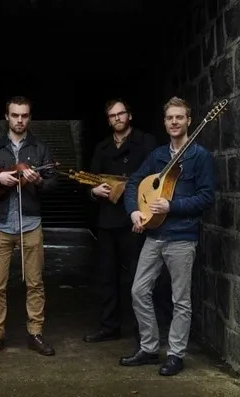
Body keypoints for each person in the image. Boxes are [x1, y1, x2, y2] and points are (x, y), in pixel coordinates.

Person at [120, 96, 215, 376]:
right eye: (169, 118)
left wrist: (173, 206)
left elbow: (207, 197)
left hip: (183, 238)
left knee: (180, 300)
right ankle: (149, 348)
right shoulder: (158, 155)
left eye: (179, 117)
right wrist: (135, 212)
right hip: (154, 234)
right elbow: (134, 183)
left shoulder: (200, 157)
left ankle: (175, 353)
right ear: (164, 122)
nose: (174, 122)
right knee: (138, 290)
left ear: (189, 121)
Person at [0, 95, 58, 357]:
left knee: (35, 282)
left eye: (24, 115)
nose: (20, 120)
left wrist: (38, 180)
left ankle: (35, 334)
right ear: (7, 117)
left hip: (31, 224)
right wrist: (0, 177)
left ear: (29, 117)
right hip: (1, 224)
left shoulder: (40, 148)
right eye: (15, 115)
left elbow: (54, 182)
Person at [83, 99, 159, 344]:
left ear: (130, 115)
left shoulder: (146, 142)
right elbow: (90, 180)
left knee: (140, 278)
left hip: (136, 218)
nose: (117, 118)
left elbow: (157, 178)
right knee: (107, 277)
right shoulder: (102, 147)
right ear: (108, 120)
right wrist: (94, 192)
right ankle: (109, 326)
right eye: (112, 116)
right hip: (107, 221)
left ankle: (143, 331)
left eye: (121, 113)